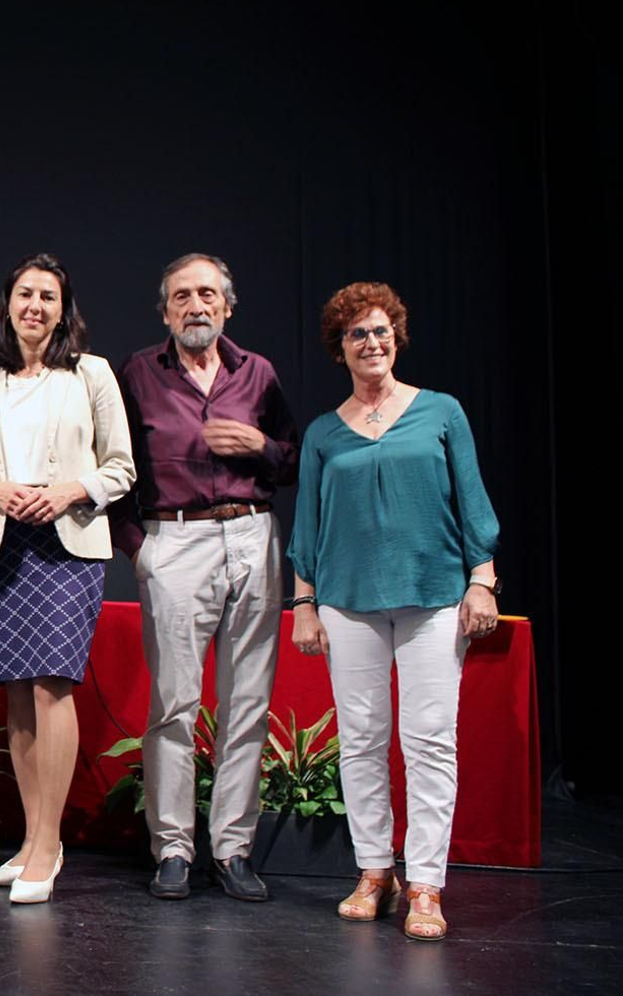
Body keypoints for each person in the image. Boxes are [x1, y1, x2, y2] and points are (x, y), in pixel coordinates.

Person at [289, 282, 498, 942]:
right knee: (362, 739)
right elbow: (308, 523)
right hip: (348, 601)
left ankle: (427, 882)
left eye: (381, 331)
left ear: (396, 337)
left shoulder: (441, 411)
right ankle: (375, 871)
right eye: (358, 334)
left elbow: (472, 499)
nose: (372, 343)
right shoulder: (324, 432)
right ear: (340, 348)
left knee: (430, 739)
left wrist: (483, 579)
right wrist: (303, 603)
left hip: (434, 594)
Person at [112, 253, 298, 902]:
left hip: (252, 532)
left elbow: (295, 458)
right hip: (175, 537)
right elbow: (116, 469)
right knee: (173, 704)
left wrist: (261, 448)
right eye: (183, 295)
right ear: (165, 309)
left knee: (247, 702)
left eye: (208, 294)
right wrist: (140, 549)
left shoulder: (259, 374)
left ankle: (234, 848)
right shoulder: (138, 373)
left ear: (227, 305)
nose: (197, 305)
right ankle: (172, 847)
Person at [0, 254, 135, 904]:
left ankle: (49, 841)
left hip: (69, 543)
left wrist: (68, 490)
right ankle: (34, 838)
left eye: (49, 296)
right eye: (25, 293)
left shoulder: (90, 374)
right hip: (5, 542)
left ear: (65, 308)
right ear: (7, 302)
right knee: (15, 691)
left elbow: (121, 467)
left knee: (52, 684)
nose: (36, 305)